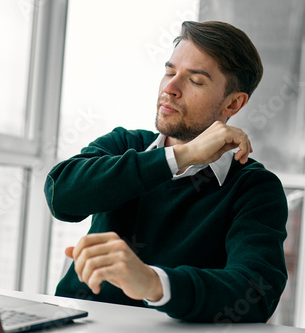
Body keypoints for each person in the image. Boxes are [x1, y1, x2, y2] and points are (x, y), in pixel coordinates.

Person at [44, 21, 287, 323]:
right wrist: (180, 155)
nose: (170, 89)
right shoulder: (125, 145)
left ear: (233, 103)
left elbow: (256, 291)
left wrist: (153, 283)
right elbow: (61, 195)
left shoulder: (255, 188)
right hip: (76, 324)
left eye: (195, 81)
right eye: (170, 72)